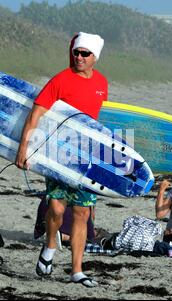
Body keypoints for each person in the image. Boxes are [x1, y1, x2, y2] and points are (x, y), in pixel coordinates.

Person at [15, 32, 108, 287]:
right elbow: (35, 114)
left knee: (81, 213)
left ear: (94, 58)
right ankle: (50, 245)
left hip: (87, 157)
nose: (79, 57)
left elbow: (98, 122)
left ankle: (76, 271)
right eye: (77, 52)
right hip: (58, 154)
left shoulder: (102, 83)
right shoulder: (60, 80)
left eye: (85, 54)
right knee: (56, 208)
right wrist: (24, 148)